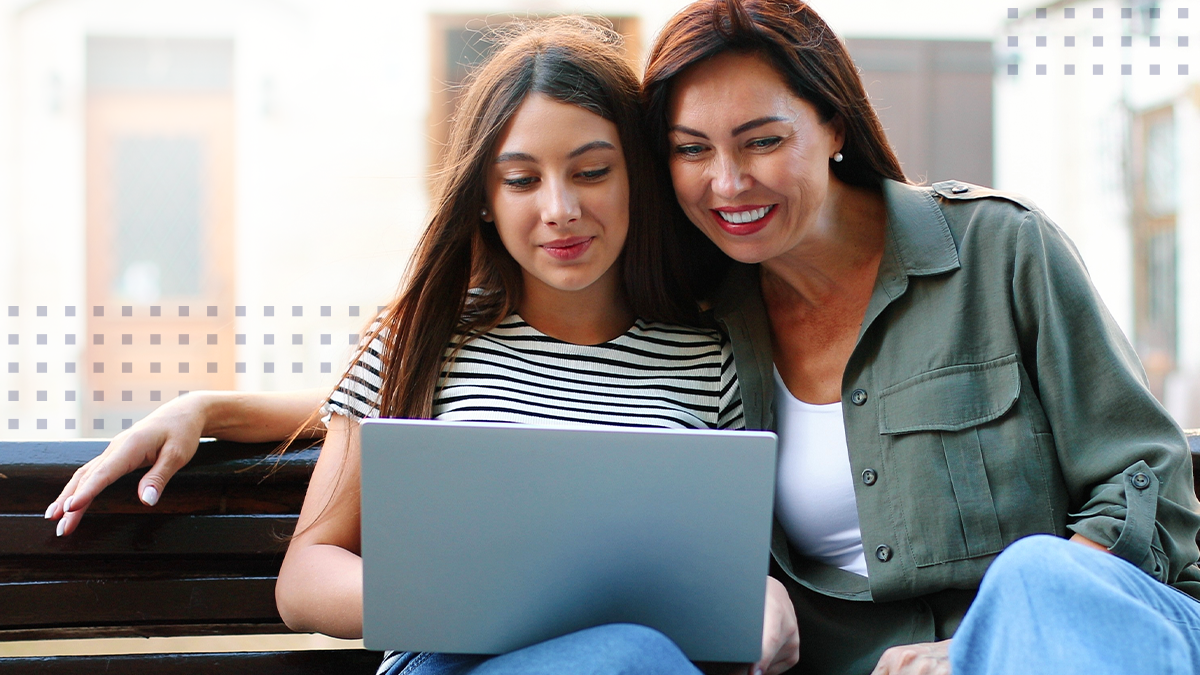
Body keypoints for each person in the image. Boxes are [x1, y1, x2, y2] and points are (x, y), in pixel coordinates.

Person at [47, 17, 799, 675]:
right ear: (483, 197)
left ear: (636, 176)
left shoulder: (709, 360)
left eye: (592, 172)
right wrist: (485, 595)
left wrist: (758, 594)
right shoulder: (425, 341)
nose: (560, 209)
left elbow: (726, 571)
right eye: (521, 179)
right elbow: (305, 579)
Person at [638, 0, 1200, 673]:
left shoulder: (1001, 248)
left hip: (1086, 638)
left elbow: (1146, 483)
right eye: (692, 149)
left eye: (762, 140)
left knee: (1033, 575)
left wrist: (982, 643)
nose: (727, 182)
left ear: (834, 122)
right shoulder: (698, 333)